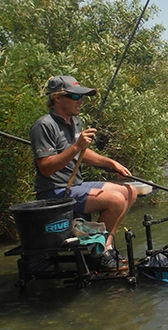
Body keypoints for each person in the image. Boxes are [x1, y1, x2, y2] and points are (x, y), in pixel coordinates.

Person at [30, 75, 137, 271]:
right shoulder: (44, 126)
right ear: (57, 98)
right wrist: (76, 146)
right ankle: (97, 253)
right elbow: (46, 168)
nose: (81, 101)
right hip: (55, 192)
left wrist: (111, 163)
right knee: (116, 200)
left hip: (76, 185)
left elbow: (82, 154)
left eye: (82, 97)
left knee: (130, 191)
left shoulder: (75, 121)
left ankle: (106, 246)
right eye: (75, 97)